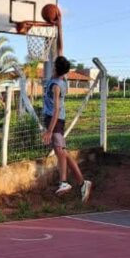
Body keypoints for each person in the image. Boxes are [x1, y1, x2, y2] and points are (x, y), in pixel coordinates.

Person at [41, 38, 92, 202]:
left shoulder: (56, 85)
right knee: (63, 151)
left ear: (56, 67)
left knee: (60, 151)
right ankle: (83, 183)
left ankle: (64, 182)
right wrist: (59, 24)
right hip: (56, 120)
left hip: (54, 120)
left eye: (55, 64)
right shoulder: (62, 77)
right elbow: (61, 47)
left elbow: (56, 109)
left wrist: (49, 130)